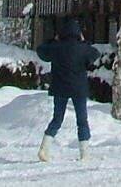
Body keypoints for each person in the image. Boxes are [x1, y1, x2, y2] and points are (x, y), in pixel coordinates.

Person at [35, 18, 100, 162]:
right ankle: (84, 154)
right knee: (82, 120)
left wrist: (53, 40)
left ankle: (44, 149)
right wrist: (84, 42)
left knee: (57, 119)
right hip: (79, 89)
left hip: (60, 87)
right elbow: (95, 54)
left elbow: (40, 50)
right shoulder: (83, 48)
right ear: (78, 33)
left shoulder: (56, 47)